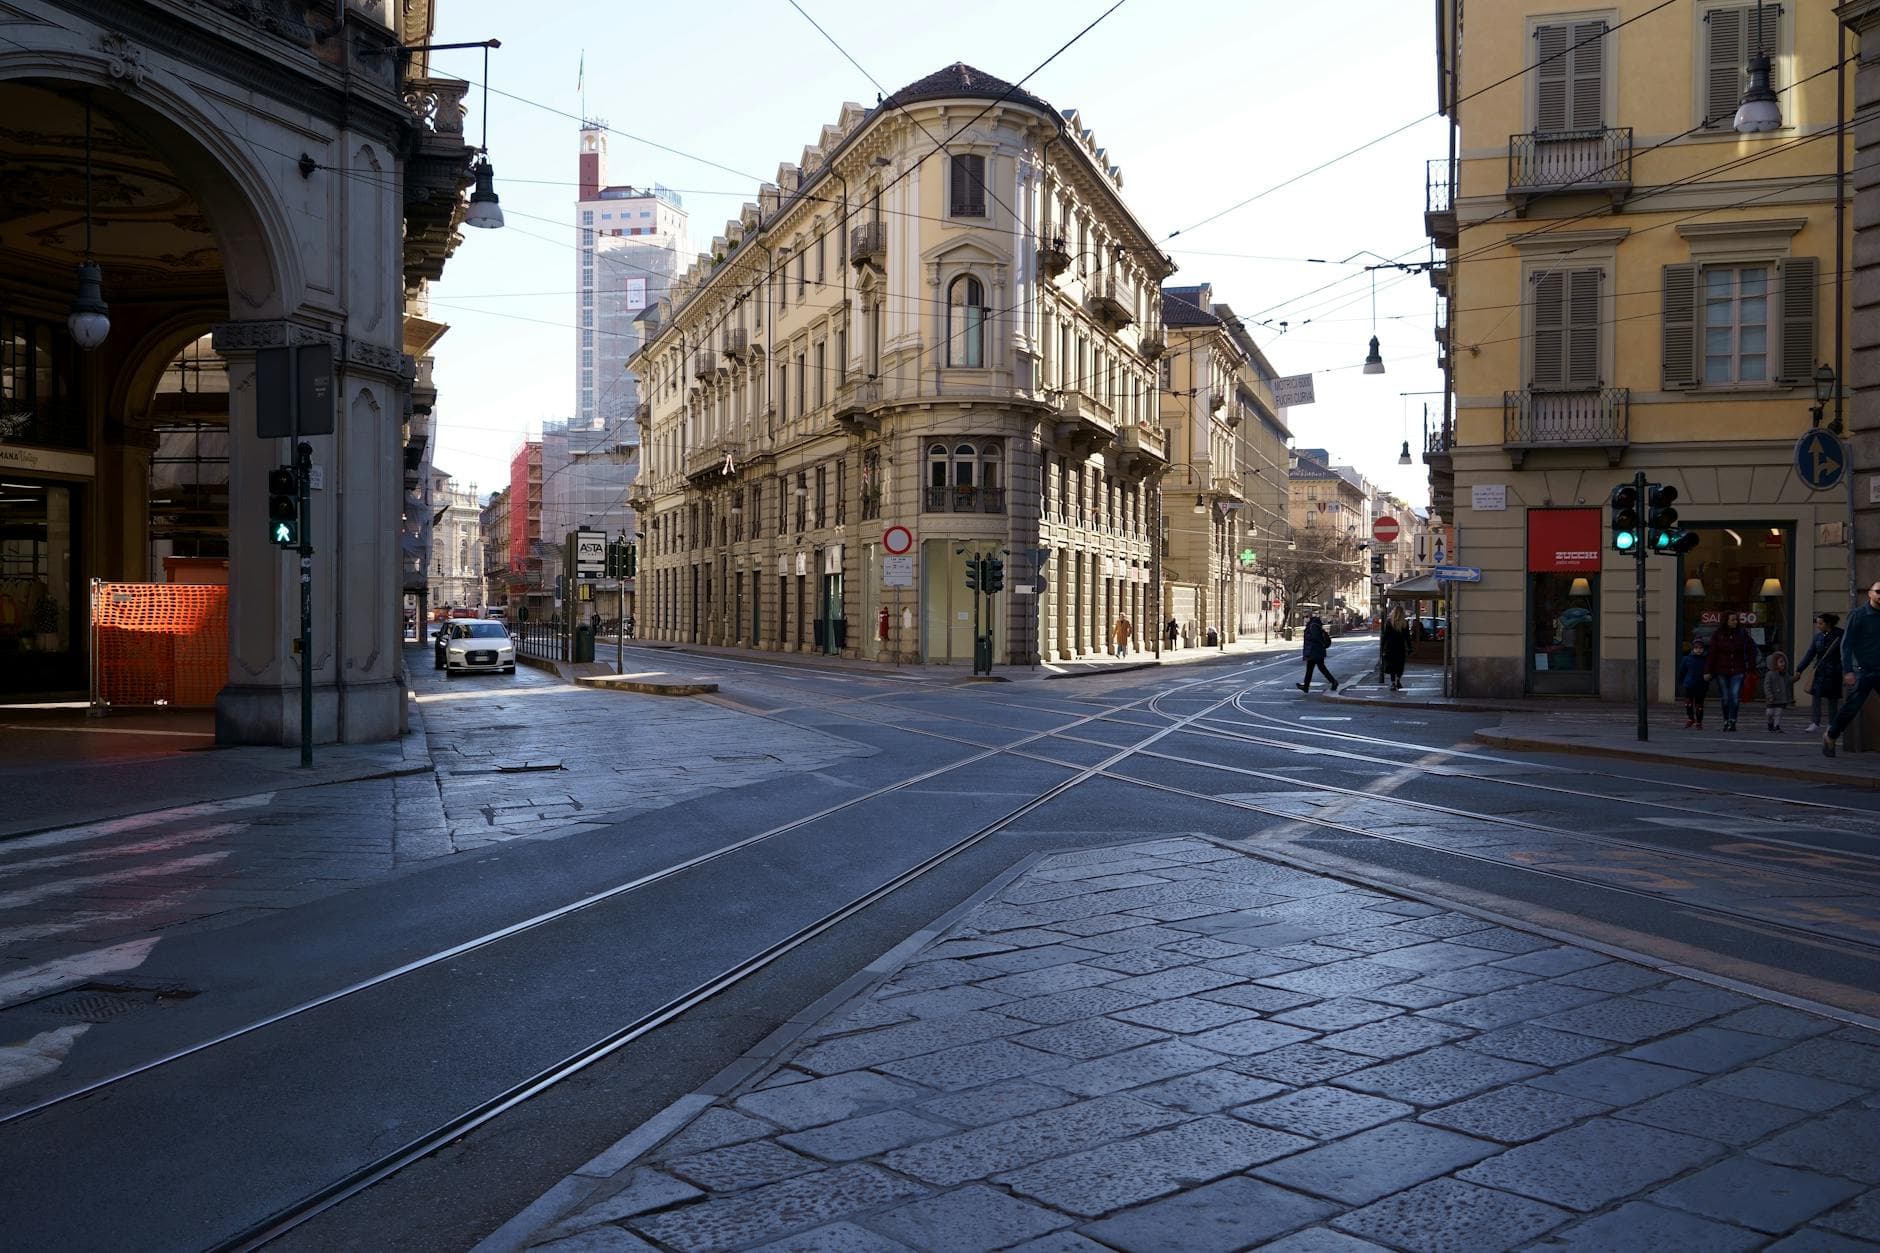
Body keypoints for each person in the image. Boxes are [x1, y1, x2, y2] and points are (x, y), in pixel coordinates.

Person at [1825, 580, 1880, 757]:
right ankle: (1831, 735)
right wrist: (1848, 670)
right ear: (1870, 594)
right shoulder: (1858, 615)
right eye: (1878, 591)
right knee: (1851, 708)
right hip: (1862, 670)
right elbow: (1846, 644)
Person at [1705, 612, 1753, 733]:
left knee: (1734, 696)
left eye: (1736, 620)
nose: (1735, 622)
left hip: (1738, 669)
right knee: (1725, 697)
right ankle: (1726, 720)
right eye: (1732, 620)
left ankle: (1733, 721)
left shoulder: (1742, 634)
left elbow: (1751, 650)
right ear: (1726, 621)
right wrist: (1708, 671)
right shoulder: (1718, 634)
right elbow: (1712, 654)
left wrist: (1751, 667)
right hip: (1721, 670)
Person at [1796, 612, 1844, 733]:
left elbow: (1846, 652)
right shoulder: (1818, 637)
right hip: (1820, 671)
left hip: (1834, 672)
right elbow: (1810, 653)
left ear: (1828, 624)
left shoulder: (1840, 635)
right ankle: (1815, 722)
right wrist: (1799, 668)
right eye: (1817, 623)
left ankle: (1831, 723)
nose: (1818, 625)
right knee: (1816, 696)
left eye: (1820, 623)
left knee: (1832, 699)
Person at [1297, 613, 1339, 694]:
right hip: (1314, 650)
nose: (1305, 619)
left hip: (1314, 650)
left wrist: (1310, 639)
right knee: (1311, 669)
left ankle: (1333, 682)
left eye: (1305, 617)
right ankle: (1306, 686)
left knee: (1320, 668)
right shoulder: (1314, 624)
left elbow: (1316, 637)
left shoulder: (1313, 625)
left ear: (1309, 617)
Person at [1678, 640, 1708, 730]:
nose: (1698, 650)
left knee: (1699, 705)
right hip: (1689, 684)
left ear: (1703, 649)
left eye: (1701, 648)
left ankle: (1699, 721)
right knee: (1688, 703)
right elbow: (1682, 671)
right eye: (1696, 648)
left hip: (1701, 685)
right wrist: (1681, 681)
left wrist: (1708, 680)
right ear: (1693, 649)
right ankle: (1691, 718)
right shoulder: (1687, 659)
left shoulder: (1706, 660)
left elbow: (1710, 672)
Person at [1761, 649, 1793, 733]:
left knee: (1778, 713)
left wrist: (1796, 677)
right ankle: (1770, 722)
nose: (1783, 664)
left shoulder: (1785, 674)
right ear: (1775, 663)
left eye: (1784, 662)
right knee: (1769, 713)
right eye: (1781, 662)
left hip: (1781, 698)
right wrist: (1769, 696)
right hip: (1772, 699)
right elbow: (1767, 686)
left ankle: (1776, 726)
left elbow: (1789, 680)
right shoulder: (1770, 674)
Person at [1379, 606, 1410, 691]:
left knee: (1392, 666)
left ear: (1394, 612)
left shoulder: (1389, 622)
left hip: (1390, 648)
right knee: (1400, 665)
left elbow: (1385, 636)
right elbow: (1407, 637)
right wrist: (1410, 647)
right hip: (1400, 648)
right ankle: (1398, 680)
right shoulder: (1405, 623)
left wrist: (1382, 647)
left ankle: (1393, 683)